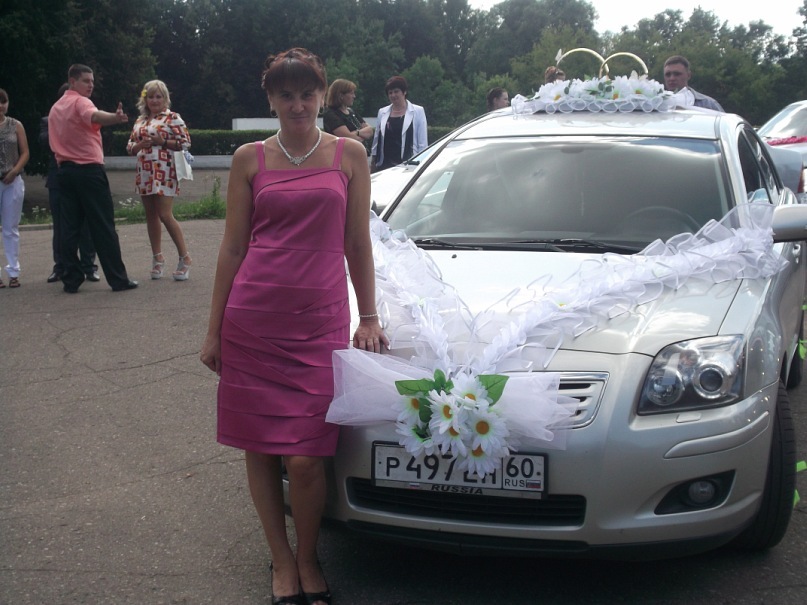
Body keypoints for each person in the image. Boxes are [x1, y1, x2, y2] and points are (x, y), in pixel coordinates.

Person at [199, 48, 387, 605]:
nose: (298, 104)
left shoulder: (349, 155)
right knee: (258, 447)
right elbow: (233, 247)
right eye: (286, 95)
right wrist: (213, 330)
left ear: (323, 96)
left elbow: (357, 243)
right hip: (253, 320)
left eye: (307, 94)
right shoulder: (249, 159)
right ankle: (282, 561)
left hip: (319, 322)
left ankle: (308, 555)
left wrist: (369, 315)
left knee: (305, 460)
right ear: (271, 100)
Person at [48, 64, 138, 293]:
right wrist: (115, 118)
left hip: (64, 173)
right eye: (86, 81)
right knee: (103, 225)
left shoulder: (56, 108)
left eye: (92, 81)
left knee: (69, 228)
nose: (91, 85)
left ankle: (71, 279)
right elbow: (95, 115)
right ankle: (118, 279)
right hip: (88, 171)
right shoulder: (81, 102)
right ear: (72, 81)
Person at [126, 80, 192, 280]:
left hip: (165, 171)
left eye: (158, 96)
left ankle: (185, 258)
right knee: (151, 216)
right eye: (150, 97)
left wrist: (161, 141)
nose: (154, 100)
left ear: (165, 98)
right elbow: (130, 146)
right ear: (144, 99)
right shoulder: (140, 120)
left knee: (165, 214)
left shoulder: (172, 118)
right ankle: (158, 258)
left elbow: (185, 143)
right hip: (145, 172)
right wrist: (140, 146)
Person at [40, 83, 99, 284]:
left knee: (87, 225)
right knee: (60, 226)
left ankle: (89, 266)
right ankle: (61, 267)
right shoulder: (49, 119)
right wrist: (64, 125)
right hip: (58, 180)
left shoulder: (86, 117)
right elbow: (44, 141)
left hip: (83, 177)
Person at [0, 88, 29, 289]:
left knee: (11, 228)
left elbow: (25, 152)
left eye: (4, 101)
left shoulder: (16, 125)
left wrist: (15, 170)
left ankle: (13, 272)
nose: (1, 106)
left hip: (12, 180)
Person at [370, 75, 427, 172]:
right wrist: (373, 162)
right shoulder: (382, 112)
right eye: (390, 93)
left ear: (404, 92)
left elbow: (423, 143)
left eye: (396, 91)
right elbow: (377, 140)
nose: (393, 95)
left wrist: (421, 164)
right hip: (384, 166)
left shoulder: (418, 111)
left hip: (408, 166)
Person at [322, 79, 373, 153]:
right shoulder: (330, 114)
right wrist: (361, 134)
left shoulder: (351, 111)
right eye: (351, 93)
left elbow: (370, 131)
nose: (354, 96)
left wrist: (356, 133)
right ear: (341, 95)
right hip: (343, 157)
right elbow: (347, 138)